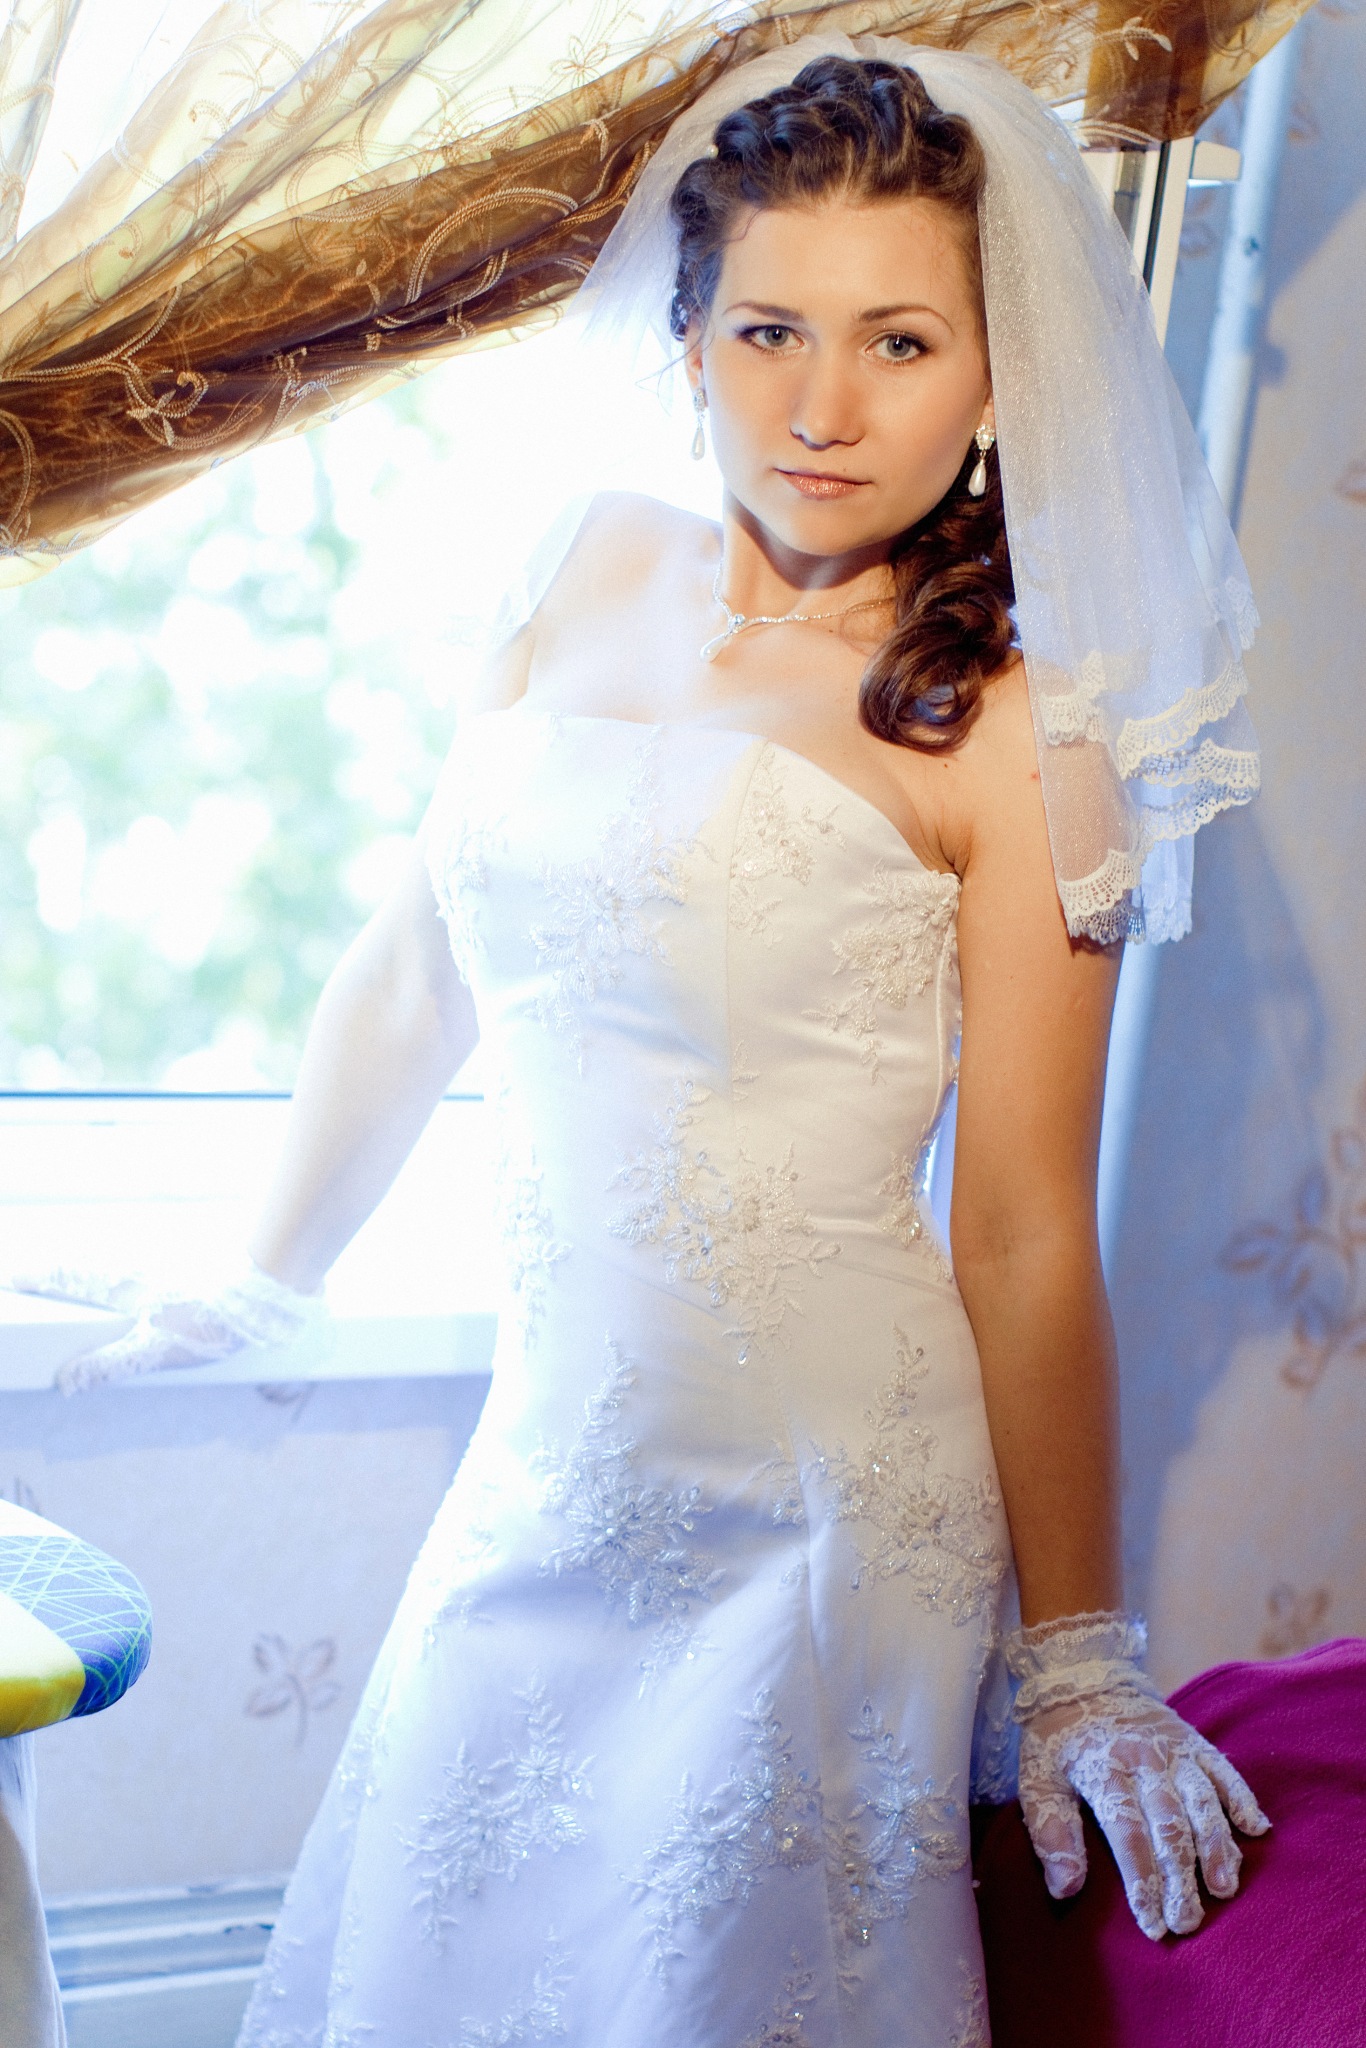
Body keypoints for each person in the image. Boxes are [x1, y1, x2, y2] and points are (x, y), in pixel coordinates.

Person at [25, 43, 1269, 2048]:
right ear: (687, 338)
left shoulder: (1023, 731)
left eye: (898, 342)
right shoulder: (584, 564)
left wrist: (1078, 1663)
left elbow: (1025, 1227)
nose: (822, 405)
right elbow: (417, 964)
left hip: (822, 1507)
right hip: (546, 1460)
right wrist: (254, 1276)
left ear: (991, 376)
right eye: (769, 329)